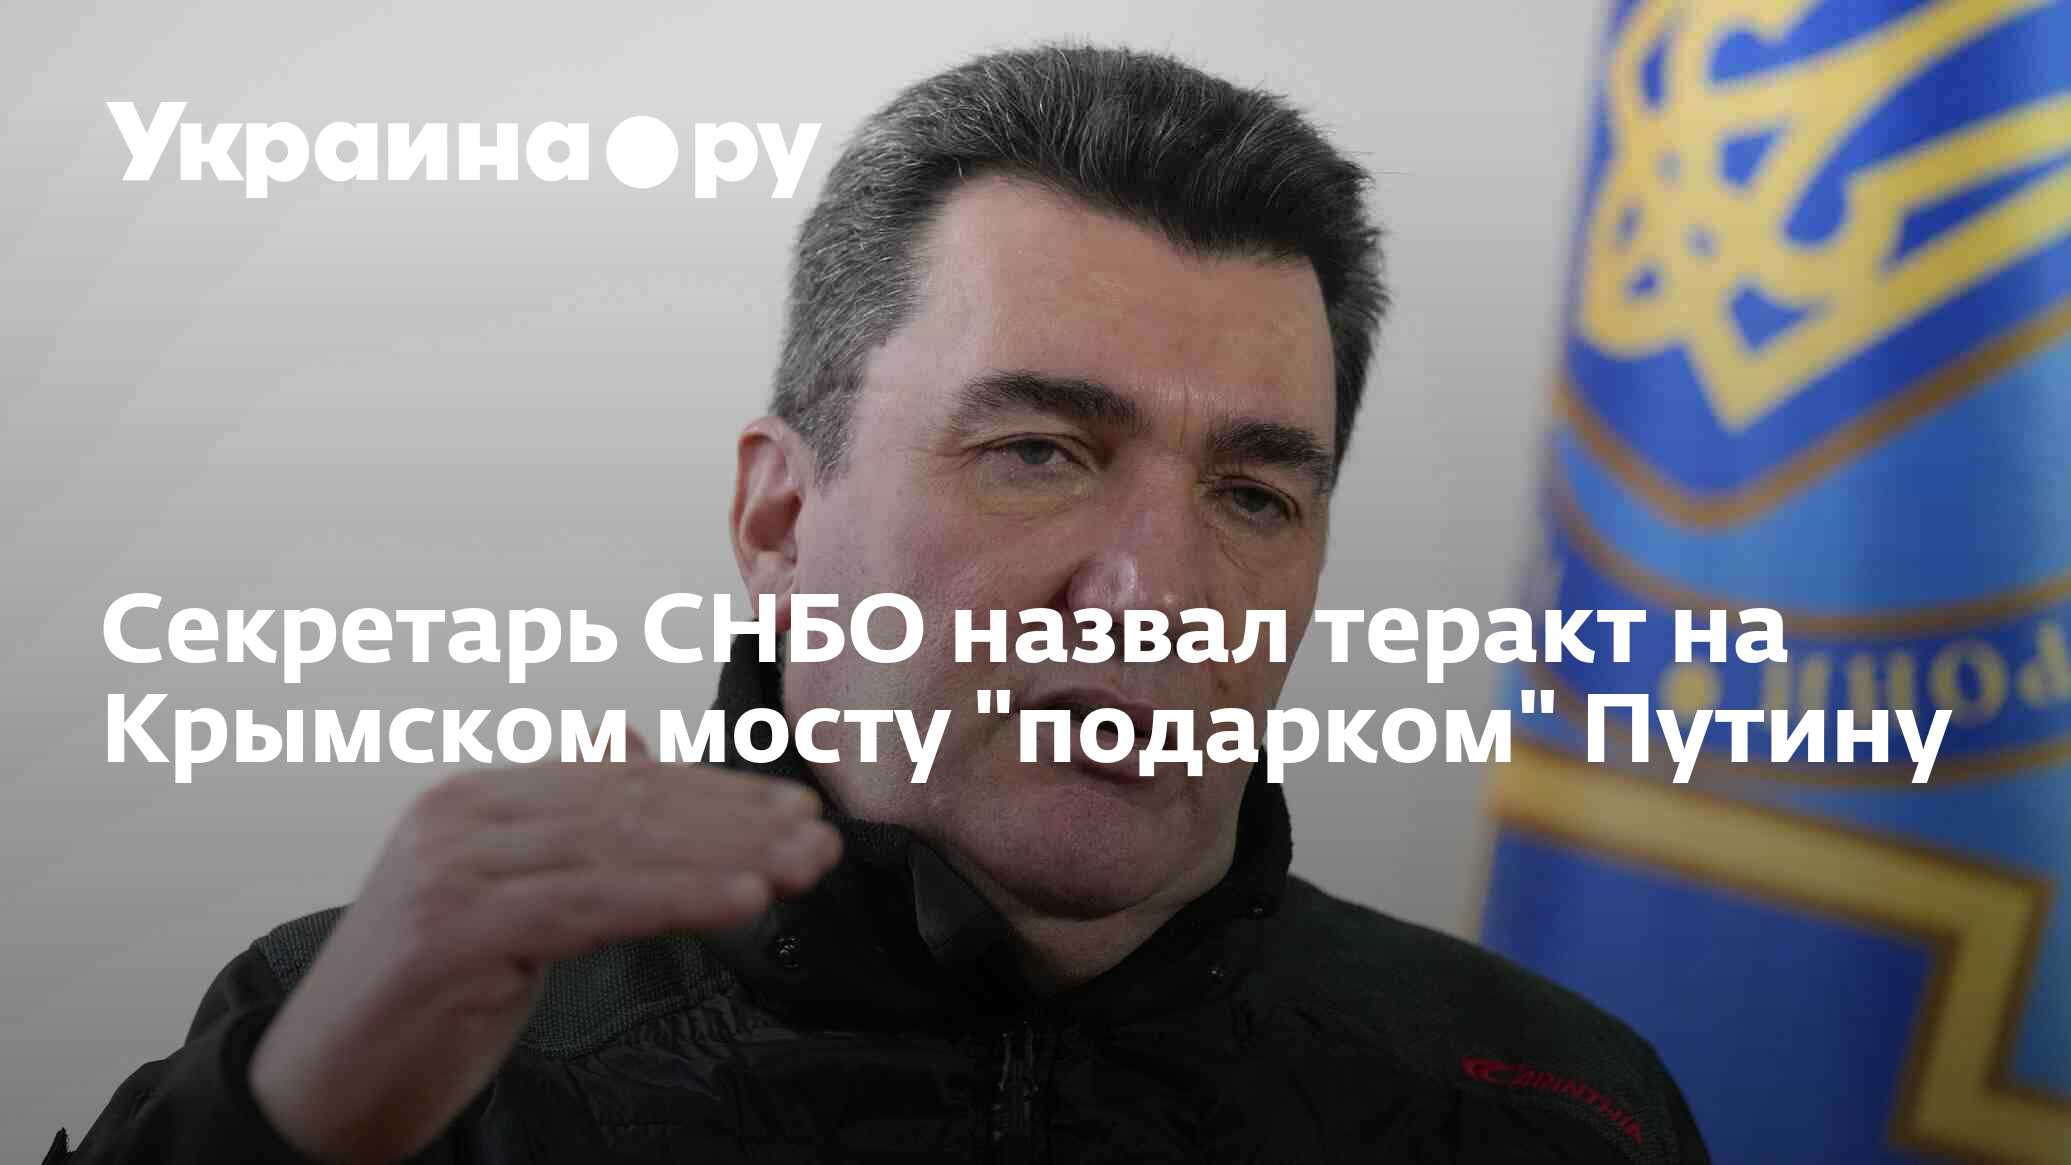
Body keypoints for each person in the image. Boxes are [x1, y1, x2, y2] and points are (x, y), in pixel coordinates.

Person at [48, 44, 1710, 1164]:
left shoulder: (1554, 1108)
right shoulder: (388, 1051)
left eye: (1256, 494)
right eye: (1041, 452)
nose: (1159, 592)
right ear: (780, 518)